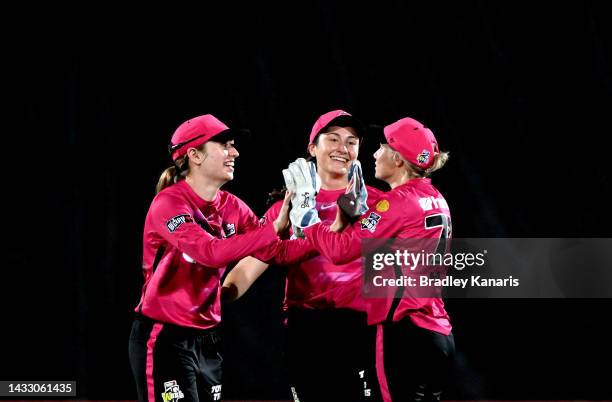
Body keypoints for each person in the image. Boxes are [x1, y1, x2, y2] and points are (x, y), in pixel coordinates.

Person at [223, 110, 384, 402]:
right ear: (312, 148)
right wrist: (209, 302)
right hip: (307, 330)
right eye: (332, 139)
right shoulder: (287, 206)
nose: (342, 148)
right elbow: (250, 266)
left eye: (352, 141)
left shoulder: (377, 202)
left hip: (363, 328)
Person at [128, 114, 290, 402]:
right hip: (164, 337)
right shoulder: (169, 202)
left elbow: (273, 252)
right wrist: (273, 228)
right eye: (225, 145)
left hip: (208, 338)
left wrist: (319, 234)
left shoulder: (232, 206)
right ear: (194, 155)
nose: (235, 153)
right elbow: (209, 253)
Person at [301, 117, 455, 402]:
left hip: (405, 334)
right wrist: (353, 216)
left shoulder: (396, 202)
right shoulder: (436, 198)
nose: (374, 153)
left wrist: (307, 219)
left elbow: (339, 251)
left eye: (383, 147)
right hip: (438, 332)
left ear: (397, 159)